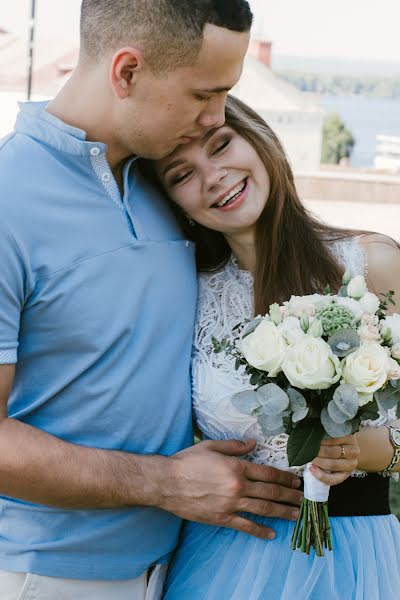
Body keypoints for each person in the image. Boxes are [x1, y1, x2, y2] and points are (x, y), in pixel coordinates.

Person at [0, 2, 310, 599]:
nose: (216, 116)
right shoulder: (9, 199)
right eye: (204, 93)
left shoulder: (163, 184)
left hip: (178, 568)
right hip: (41, 576)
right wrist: (163, 483)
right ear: (127, 73)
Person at [152, 94, 400, 599]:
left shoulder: (372, 263)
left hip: (357, 553)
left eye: (222, 146)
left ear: (261, 142)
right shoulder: (186, 294)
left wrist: (359, 452)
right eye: (182, 175)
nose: (214, 175)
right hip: (227, 556)